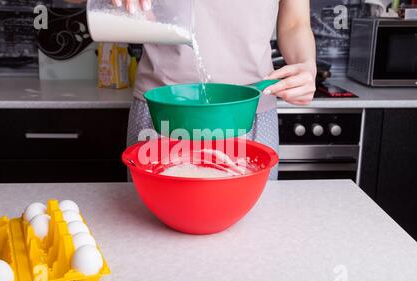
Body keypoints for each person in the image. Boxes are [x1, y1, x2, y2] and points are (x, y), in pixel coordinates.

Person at [114, 0, 317, 180]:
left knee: (256, 216)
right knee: (148, 217)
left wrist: (306, 64)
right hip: (163, 113)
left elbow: (294, 24)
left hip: (251, 112)